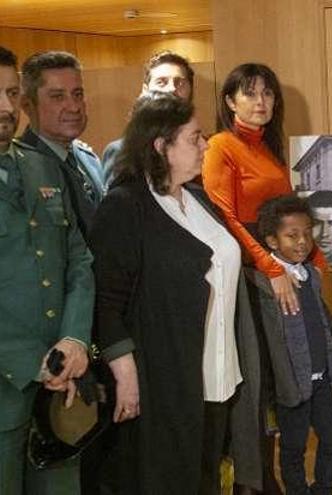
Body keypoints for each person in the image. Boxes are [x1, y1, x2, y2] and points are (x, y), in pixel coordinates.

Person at [89, 94, 262, 494]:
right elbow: (106, 300)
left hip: (217, 377)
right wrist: (126, 373)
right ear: (160, 145)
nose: (206, 145)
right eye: (195, 137)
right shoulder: (125, 205)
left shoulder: (199, 198)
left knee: (204, 479)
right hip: (161, 381)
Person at [0, 45, 94, 495]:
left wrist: (74, 338)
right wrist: (31, 362)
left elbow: (77, 258)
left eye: (10, 93)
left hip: (60, 390)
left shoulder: (41, 165)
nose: (5, 107)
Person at [203, 63, 326, 319]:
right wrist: (270, 268)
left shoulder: (270, 149)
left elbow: (292, 213)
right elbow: (223, 218)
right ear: (230, 102)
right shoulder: (219, 146)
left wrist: (317, 260)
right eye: (249, 93)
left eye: (267, 93)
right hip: (248, 268)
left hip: (282, 262)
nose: (260, 101)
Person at [248, 195, 332, 495]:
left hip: (320, 379)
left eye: (307, 233)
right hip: (291, 385)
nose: (302, 241)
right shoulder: (265, 283)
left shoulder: (311, 275)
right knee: (293, 447)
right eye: (292, 235)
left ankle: (323, 489)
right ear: (272, 241)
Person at [18, 51, 104, 237]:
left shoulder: (89, 159)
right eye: (58, 97)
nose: (74, 106)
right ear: (27, 105)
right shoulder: (19, 169)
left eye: (77, 94)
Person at [101, 50, 195, 180]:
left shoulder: (198, 148)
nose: (172, 89)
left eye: (179, 82)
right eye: (161, 82)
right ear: (145, 90)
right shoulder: (122, 151)